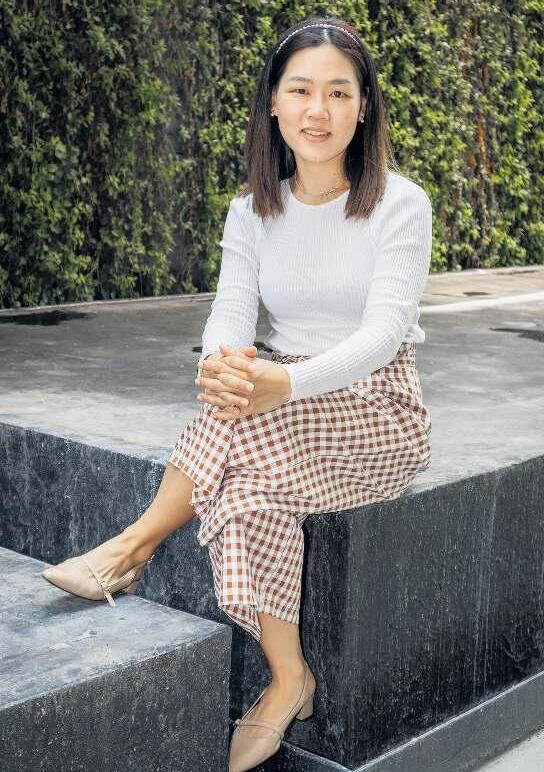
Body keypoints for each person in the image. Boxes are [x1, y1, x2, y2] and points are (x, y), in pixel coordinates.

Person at [41, 15, 433, 772]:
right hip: (279, 396)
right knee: (248, 487)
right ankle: (289, 679)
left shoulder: (399, 204)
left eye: (338, 93)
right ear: (274, 104)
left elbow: (385, 334)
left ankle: (131, 547)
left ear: (363, 109)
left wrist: (284, 381)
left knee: (244, 422)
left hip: (377, 410)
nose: (318, 110)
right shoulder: (252, 208)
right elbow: (230, 309)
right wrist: (224, 363)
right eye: (301, 90)